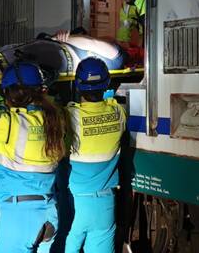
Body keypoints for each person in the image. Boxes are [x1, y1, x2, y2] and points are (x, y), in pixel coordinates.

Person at [0, 63, 66, 252]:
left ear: (8, 94)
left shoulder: (10, 123)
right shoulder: (54, 120)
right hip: (49, 213)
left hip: (18, 215)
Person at [64, 58, 126, 253]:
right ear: (106, 84)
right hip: (105, 205)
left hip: (77, 203)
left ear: (78, 86)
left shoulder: (71, 116)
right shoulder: (118, 113)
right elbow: (111, 101)